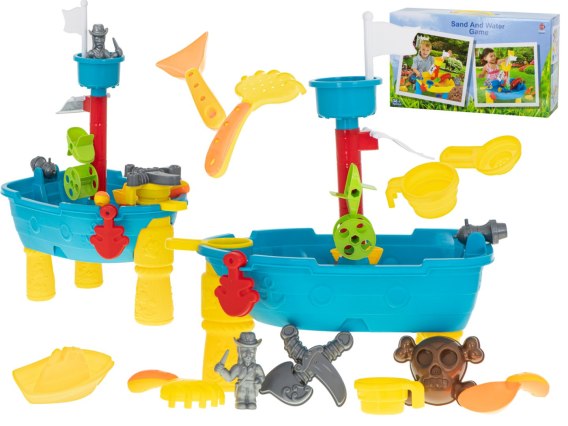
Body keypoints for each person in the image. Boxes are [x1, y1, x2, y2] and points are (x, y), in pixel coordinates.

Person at [215, 332, 265, 409]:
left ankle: (252, 402)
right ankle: (240, 402)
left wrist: (258, 381)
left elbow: (263, 379)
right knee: (240, 405)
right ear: (239, 352)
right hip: (241, 391)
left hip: (252, 391)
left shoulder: (257, 368)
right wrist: (221, 370)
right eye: (244, 351)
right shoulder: (237, 368)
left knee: (252, 405)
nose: (248, 355)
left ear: (255, 352)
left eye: (251, 352)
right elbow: (229, 378)